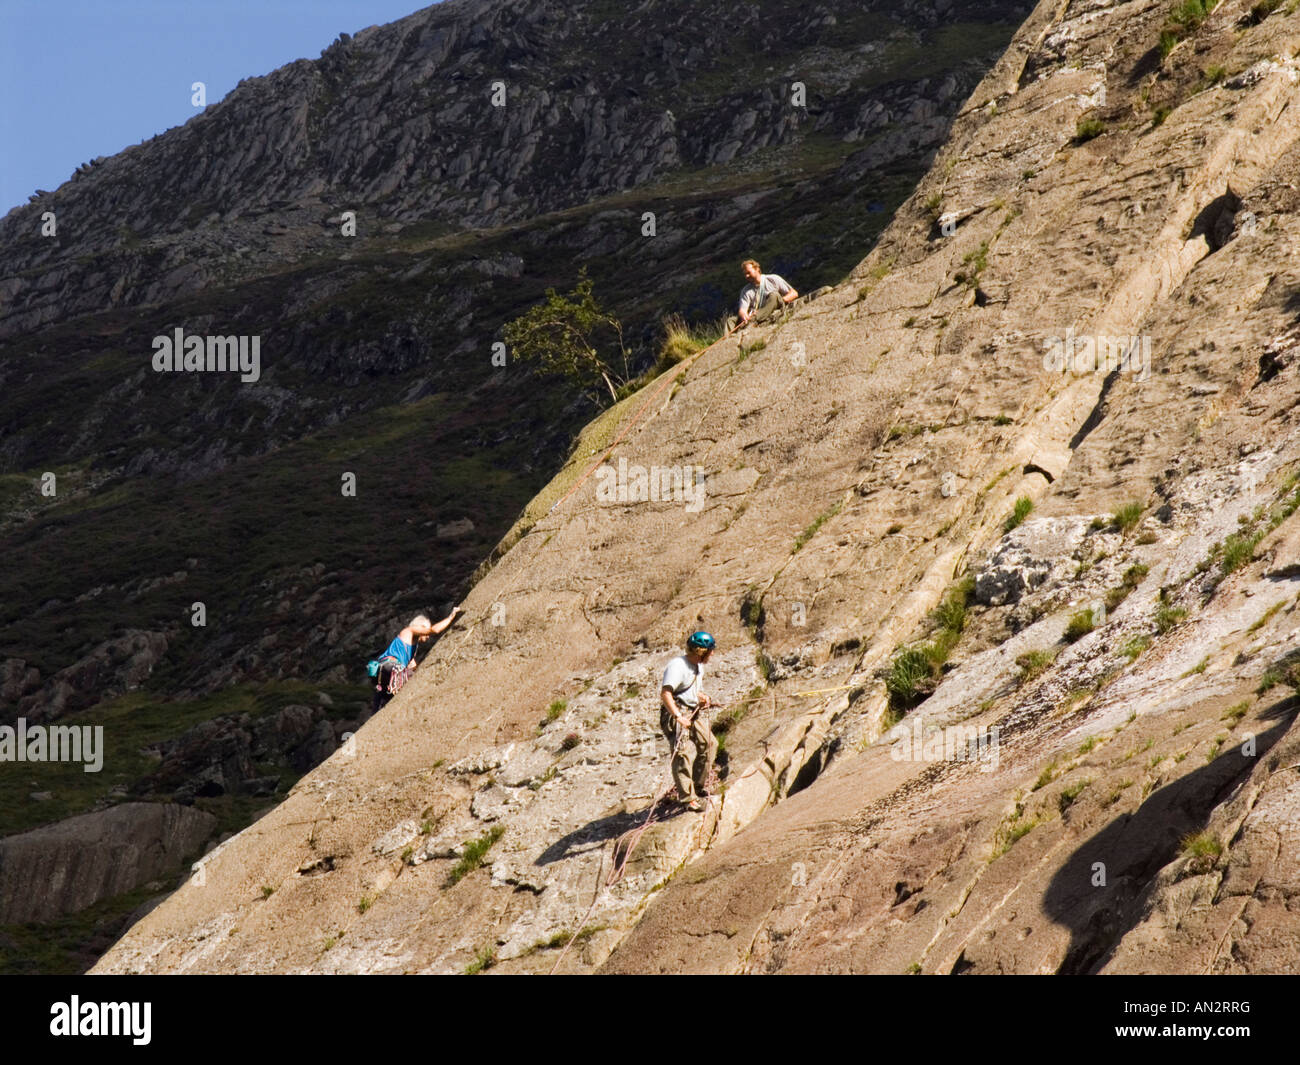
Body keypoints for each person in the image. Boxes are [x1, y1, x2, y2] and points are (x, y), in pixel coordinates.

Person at [659, 630, 718, 811]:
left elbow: (692, 691)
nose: (713, 653)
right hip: (676, 712)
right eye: (711, 650)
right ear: (702, 651)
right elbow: (666, 693)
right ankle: (687, 798)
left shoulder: (699, 666)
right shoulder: (677, 666)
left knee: (710, 744)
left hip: (692, 711)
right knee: (681, 754)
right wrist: (678, 717)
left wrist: (702, 698)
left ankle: (698, 787)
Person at [371, 608, 461, 714]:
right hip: (391, 666)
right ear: (420, 627)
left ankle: (376, 714)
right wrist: (451, 616)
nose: (427, 636)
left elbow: (413, 668)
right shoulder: (409, 631)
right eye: (425, 629)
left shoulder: (411, 647)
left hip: (384, 672)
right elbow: (434, 630)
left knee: (385, 701)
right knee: (411, 679)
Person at [730, 259, 798, 331]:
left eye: (748, 273)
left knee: (773, 295)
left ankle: (755, 319)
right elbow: (742, 309)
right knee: (731, 321)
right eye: (745, 274)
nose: (747, 276)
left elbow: (794, 293)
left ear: (757, 269)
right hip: (754, 312)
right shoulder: (746, 290)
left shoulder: (772, 279)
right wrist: (744, 315)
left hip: (774, 307)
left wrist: (781, 300)